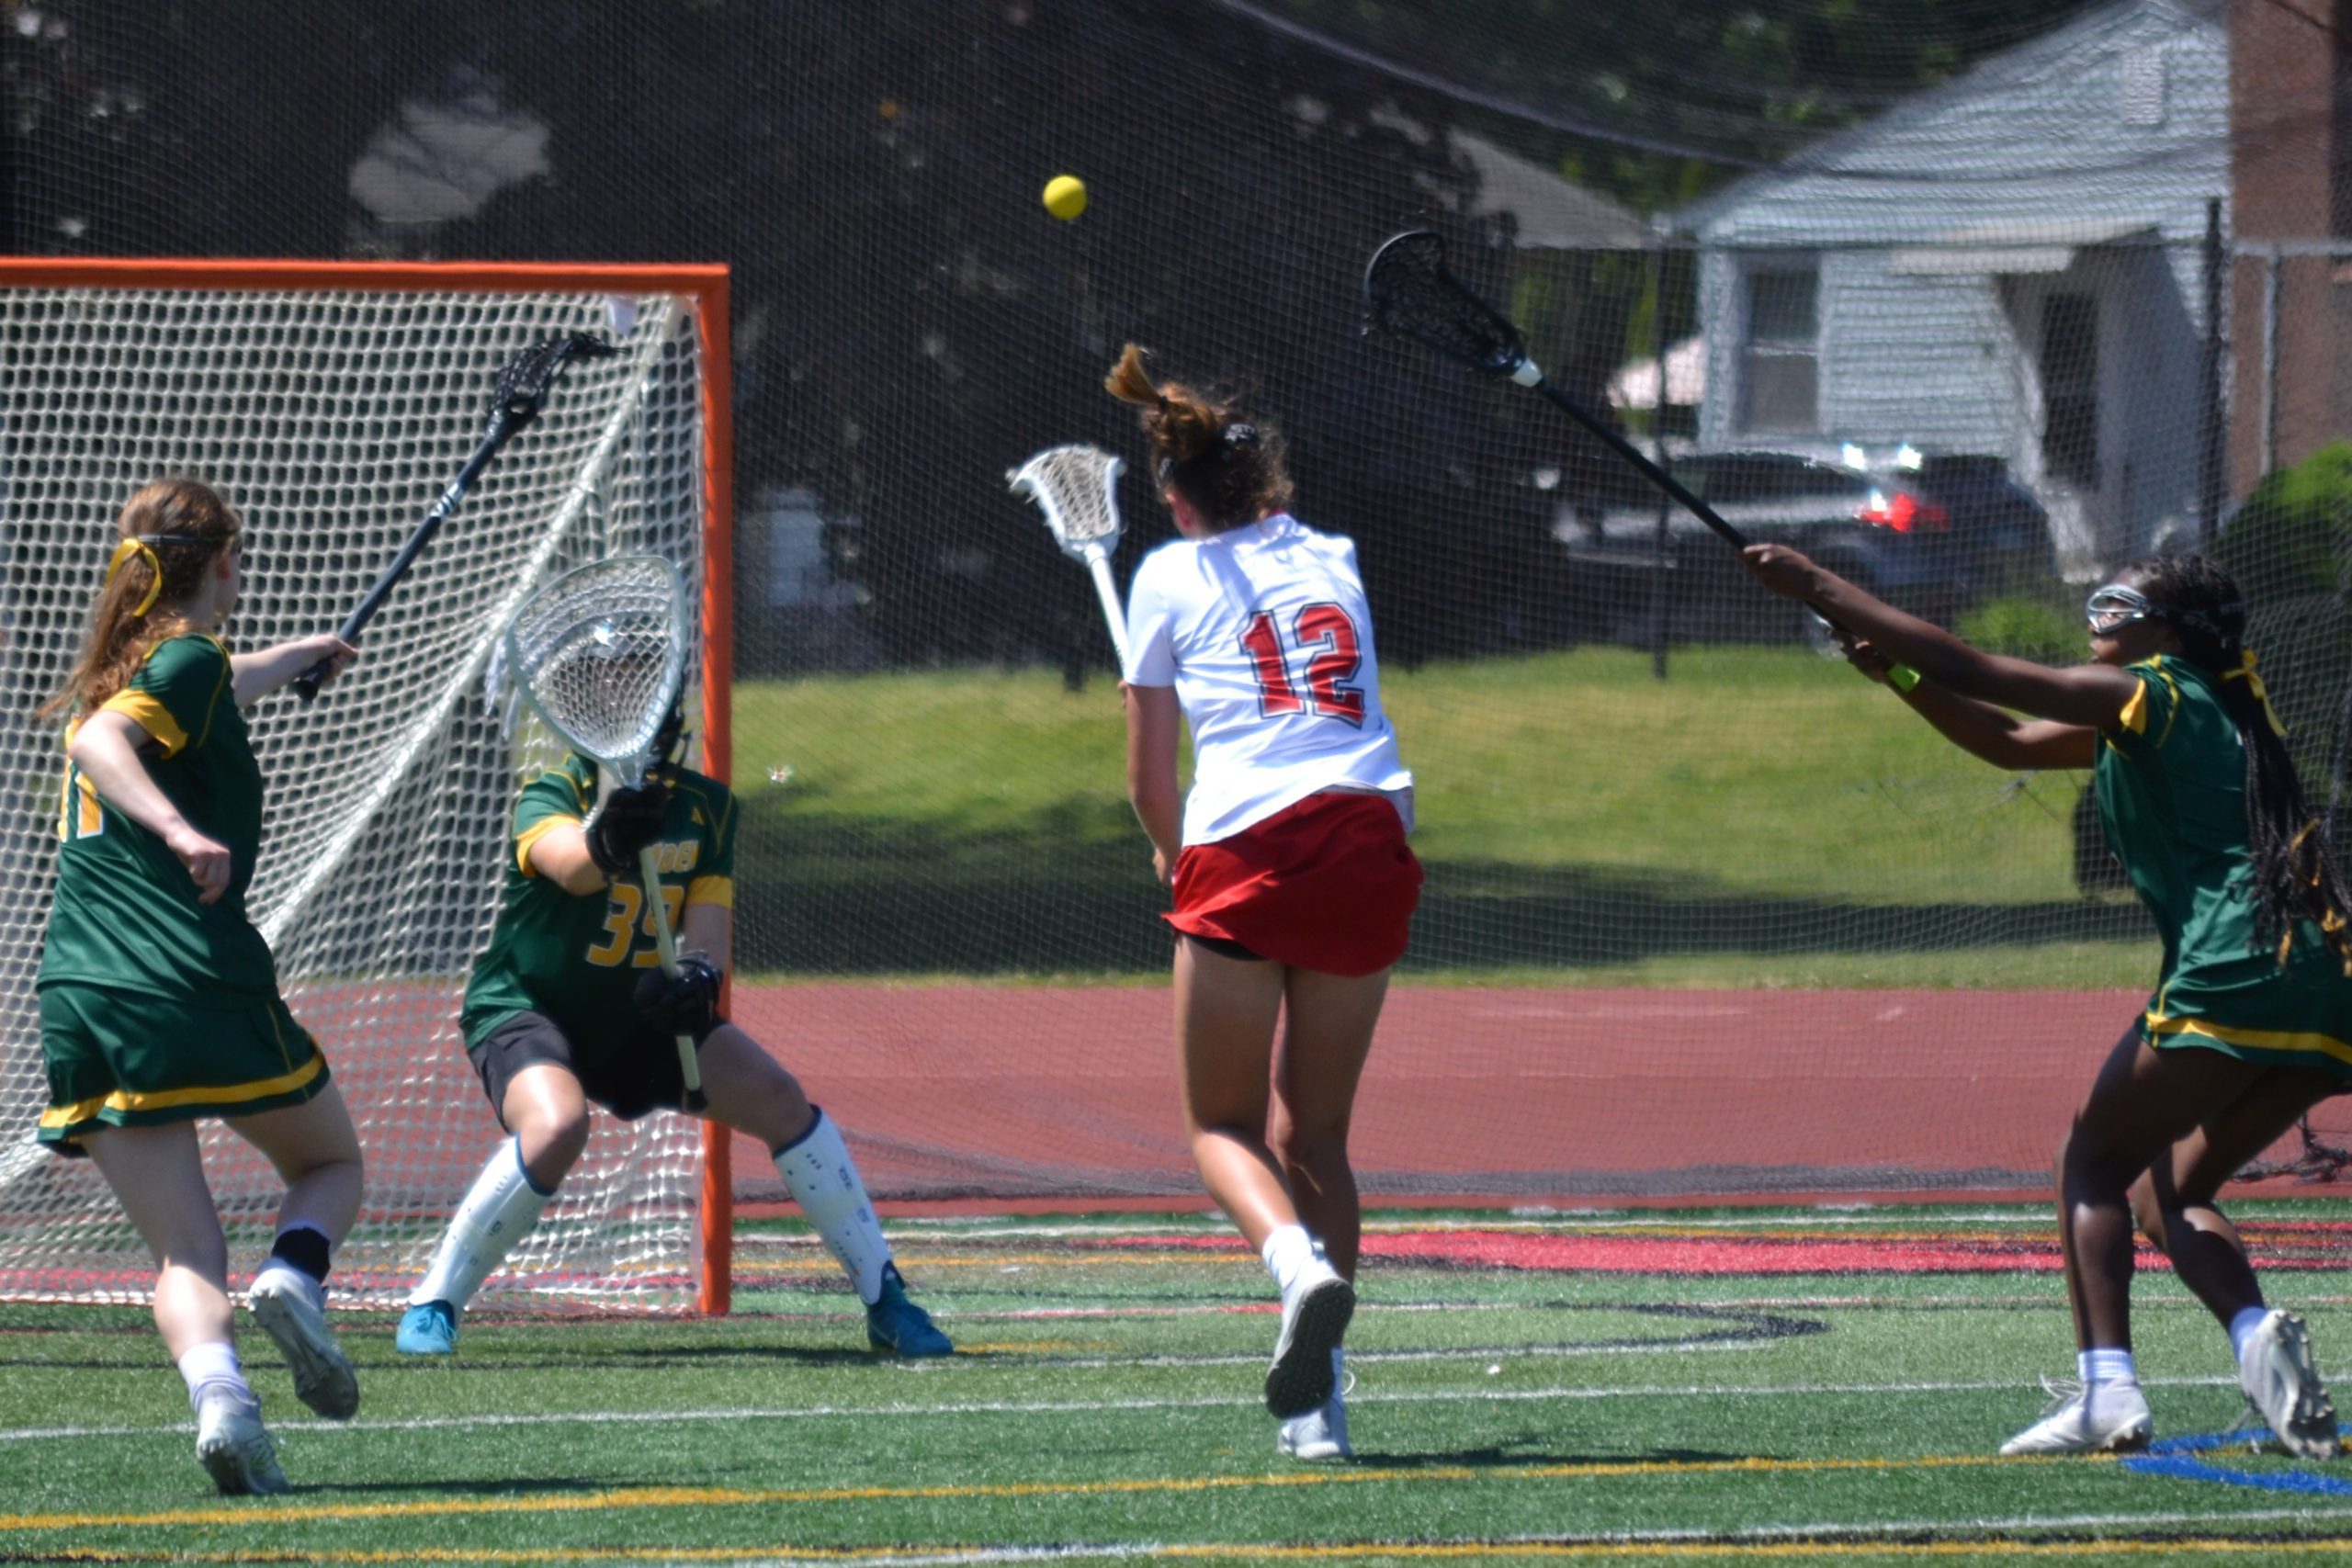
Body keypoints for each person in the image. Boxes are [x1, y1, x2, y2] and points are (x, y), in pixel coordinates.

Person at [1743, 543, 2346, 1459]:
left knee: (2091, 1160)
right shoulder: (2214, 706)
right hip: (2325, 984)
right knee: (2168, 1194)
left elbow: (1977, 669)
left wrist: (1818, 586)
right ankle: (2255, 1341)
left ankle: (2108, 1392)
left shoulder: (2148, 689)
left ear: (2166, 630)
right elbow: (2008, 741)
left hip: (2237, 964)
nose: (2095, 620)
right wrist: (1896, 673)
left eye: (2113, 606)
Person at [394, 704, 951, 1359]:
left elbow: (708, 936)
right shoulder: (555, 791)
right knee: (557, 1125)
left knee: (779, 1097)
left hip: (637, 1014)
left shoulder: (708, 808)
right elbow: (571, 866)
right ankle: (435, 1298)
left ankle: (885, 1297)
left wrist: (696, 980)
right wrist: (607, 841)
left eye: (645, 680)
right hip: (529, 1005)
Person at [1105, 344, 1422, 1461]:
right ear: (1263, 485)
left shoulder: (1164, 575)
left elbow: (1150, 781)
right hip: (1367, 833)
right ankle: (1320, 1413)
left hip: (1244, 846)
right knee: (1318, 1136)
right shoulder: (1334, 555)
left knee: (1218, 1126)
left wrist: (1164, 848)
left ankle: (1296, 1273)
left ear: (1176, 499)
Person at [35, 478, 363, 1495]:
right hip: (187, 974)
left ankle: (222, 1398)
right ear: (224, 564)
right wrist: (180, 831)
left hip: (83, 992)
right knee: (331, 1164)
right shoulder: (181, 663)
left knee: (185, 1248)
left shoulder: (147, 669)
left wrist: (298, 657)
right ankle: (295, 1278)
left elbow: (202, 683)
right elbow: (102, 744)